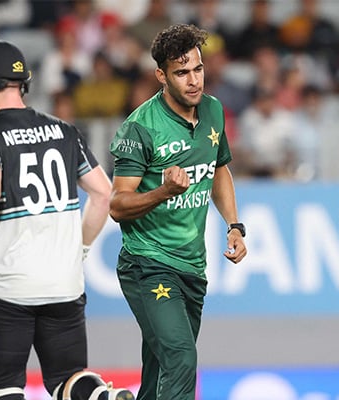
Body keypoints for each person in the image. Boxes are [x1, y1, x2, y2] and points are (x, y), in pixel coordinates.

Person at [0, 40, 135, 400]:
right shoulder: (65, 131)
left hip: (9, 289)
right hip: (65, 285)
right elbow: (102, 194)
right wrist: (78, 247)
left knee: (2, 385)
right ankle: (104, 397)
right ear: (22, 84)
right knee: (69, 379)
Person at [108, 24, 248, 400]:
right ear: (161, 75)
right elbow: (118, 205)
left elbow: (218, 171)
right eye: (181, 73)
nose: (193, 81)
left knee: (160, 371)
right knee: (182, 359)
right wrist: (164, 190)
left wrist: (234, 225)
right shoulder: (139, 128)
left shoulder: (214, 111)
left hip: (192, 268)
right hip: (147, 263)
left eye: (198, 70)